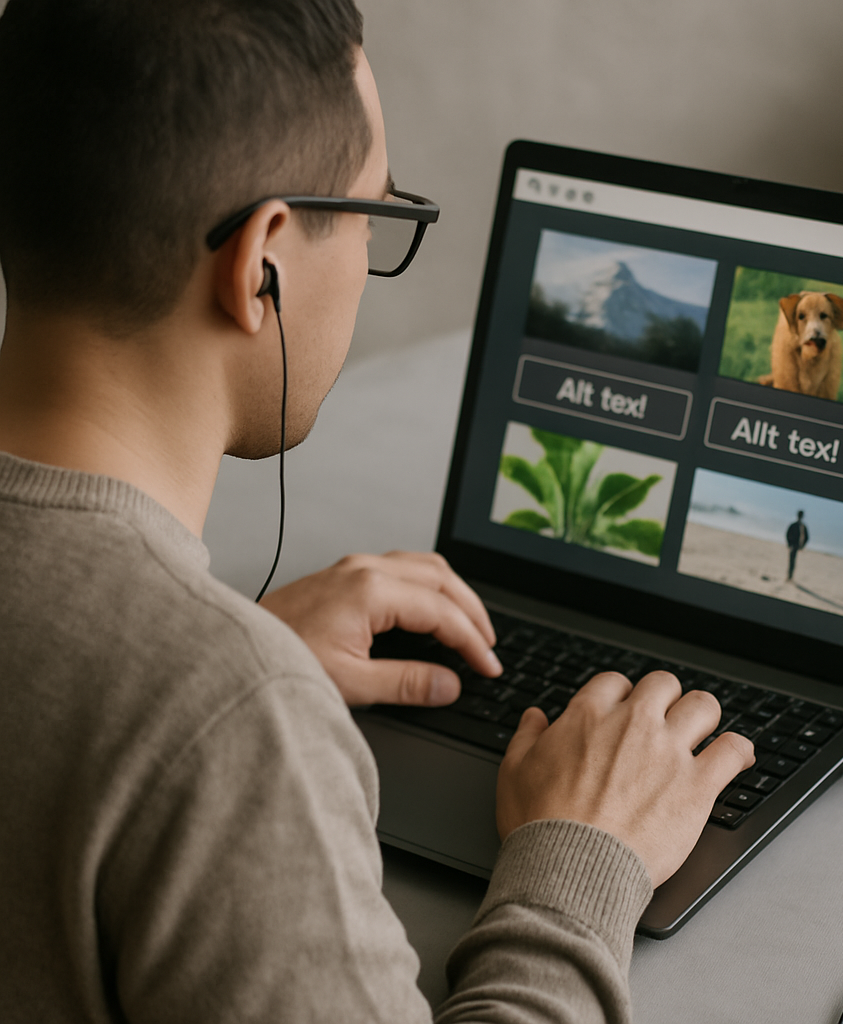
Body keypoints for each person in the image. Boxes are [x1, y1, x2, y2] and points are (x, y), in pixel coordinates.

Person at [0, 1, 754, 1021]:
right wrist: (581, 864)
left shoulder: (199, 703)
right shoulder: (232, 727)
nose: (367, 257)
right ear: (261, 264)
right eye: (373, 214)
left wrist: (223, 655)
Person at [786, 510, 809, 580]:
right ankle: (790, 576)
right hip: (794, 545)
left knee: (792, 560)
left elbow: (788, 534)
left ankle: (790, 576)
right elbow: (788, 534)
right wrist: (790, 543)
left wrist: (801, 545)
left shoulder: (800, 526)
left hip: (794, 545)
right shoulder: (800, 526)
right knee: (792, 560)